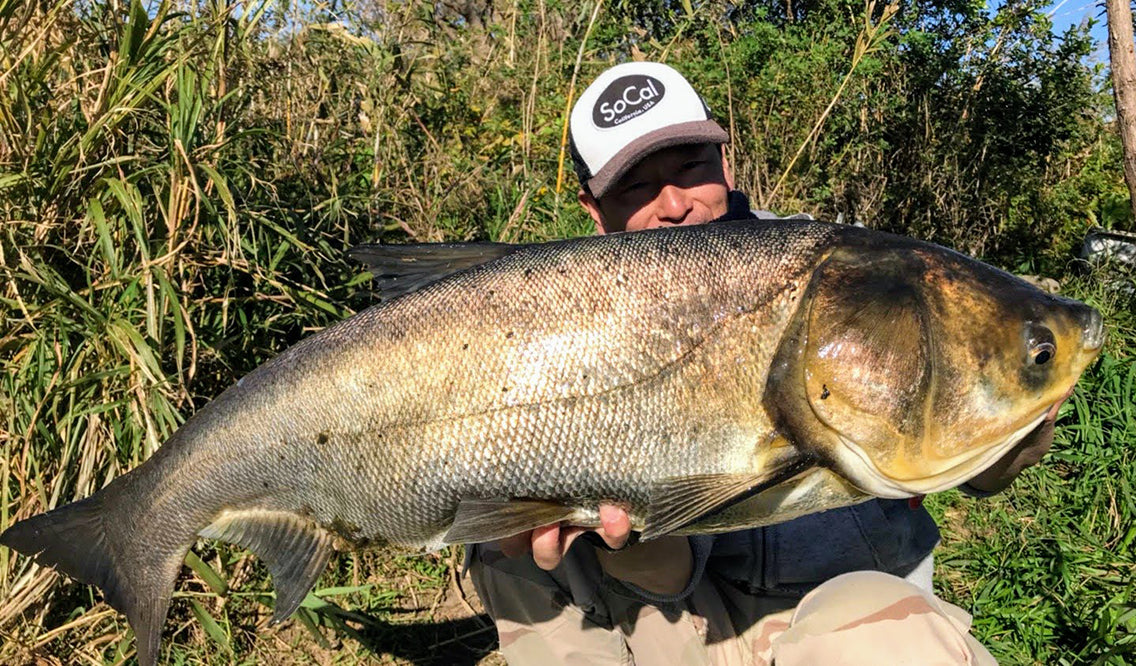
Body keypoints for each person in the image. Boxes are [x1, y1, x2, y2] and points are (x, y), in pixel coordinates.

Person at [466, 61, 1061, 664]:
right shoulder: (567, 317)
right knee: (499, 540)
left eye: (690, 167)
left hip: (846, 613)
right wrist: (618, 538)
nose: (673, 204)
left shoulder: (851, 275)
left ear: (725, 164)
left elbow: (981, 473)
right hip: (686, 609)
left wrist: (1015, 433)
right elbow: (668, 574)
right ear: (595, 211)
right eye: (635, 187)